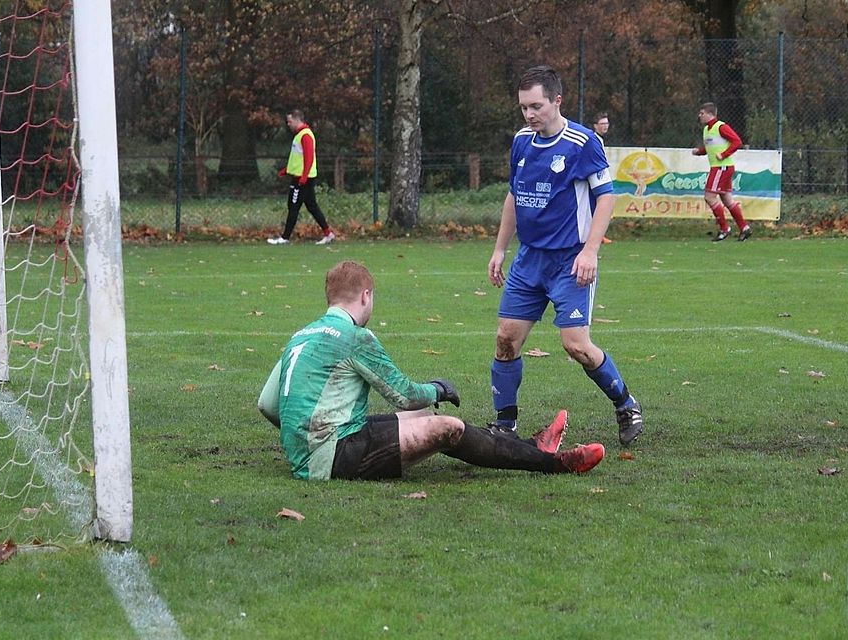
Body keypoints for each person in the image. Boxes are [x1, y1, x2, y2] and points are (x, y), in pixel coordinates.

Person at [257, 260, 606, 480]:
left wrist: (302, 437)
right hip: (334, 456)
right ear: (365, 296)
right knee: (447, 426)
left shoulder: (303, 334)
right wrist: (438, 389)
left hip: (318, 448)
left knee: (423, 417)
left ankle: (533, 446)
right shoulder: (355, 337)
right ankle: (556, 464)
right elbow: (405, 395)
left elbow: (268, 404)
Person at [487, 65, 643, 447]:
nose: (529, 114)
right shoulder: (522, 141)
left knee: (576, 346)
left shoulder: (583, 142)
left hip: (570, 262)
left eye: (536, 106)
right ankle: (504, 425)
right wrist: (500, 248)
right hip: (529, 261)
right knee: (506, 340)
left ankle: (625, 404)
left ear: (557, 100)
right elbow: (513, 195)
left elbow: (606, 197)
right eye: (524, 107)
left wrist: (591, 250)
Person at [268, 109, 336, 246]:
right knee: (311, 206)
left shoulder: (305, 135)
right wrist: (286, 170)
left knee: (293, 206)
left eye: (290, 121)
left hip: (302, 179)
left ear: (297, 120)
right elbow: (297, 158)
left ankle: (285, 237)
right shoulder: (300, 135)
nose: (288, 124)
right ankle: (328, 233)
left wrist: (303, 176)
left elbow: (309, 157)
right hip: (301, 176)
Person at [691, 102, 751, 242]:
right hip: (720, 167)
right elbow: (710, 148)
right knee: (727, 199)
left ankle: (724, 229)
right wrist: (699, 151)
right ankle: (744, 228)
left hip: (722, 167)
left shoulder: (721, 127)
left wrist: (723, 155)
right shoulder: (707, 129)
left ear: (710, 114)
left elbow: (737, 141)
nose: (700, 116)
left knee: (709, 196)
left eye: (702, 113)